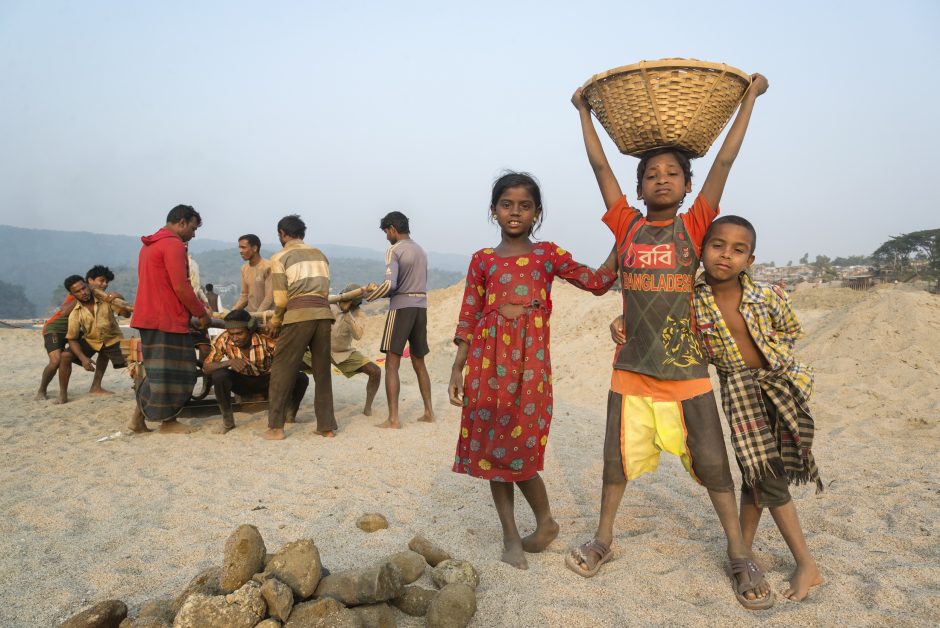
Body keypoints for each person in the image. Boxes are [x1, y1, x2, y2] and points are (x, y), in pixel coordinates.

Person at [567, 75, 774, 610]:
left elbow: (725, 162)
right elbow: (599, 168)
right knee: (616, 462)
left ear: (687, 186)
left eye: (673, 174)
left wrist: (747, 100)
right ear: (639, 190)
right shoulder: (626, 227)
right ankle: (604, 539)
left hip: (685, 371)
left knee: (713, 464)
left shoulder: (695, 226)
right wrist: (583, 113)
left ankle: (737, 552)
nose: (662, 180)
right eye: (652, 175)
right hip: (631, 367)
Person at [448, 172, 618, 569]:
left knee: (521, 448)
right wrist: (458, 368)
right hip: (486, 367)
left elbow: (596, 282)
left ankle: (545, 524)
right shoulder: (482, 260)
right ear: (494, 210)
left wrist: (622, 241)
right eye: (507, 204)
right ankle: (510, 534)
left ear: (537, 213)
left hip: (530, 369)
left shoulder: (548, 256)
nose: (515, 212)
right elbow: (469, 314)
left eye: (525, 205)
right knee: (492, 449)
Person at [691, 216, 823, 601]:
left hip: (781, 385)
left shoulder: (768, 295)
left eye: (738, 250)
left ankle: (805, 564)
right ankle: (743, 548)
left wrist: (773, 356)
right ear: (702, 249)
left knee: (765, 472)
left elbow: (790, 329)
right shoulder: (691, 300)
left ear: (750, 259)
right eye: (717, 245)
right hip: (740, 392)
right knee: (758, 471)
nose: (725, 255)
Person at [128, 204, 211, 434]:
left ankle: (138, 419)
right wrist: (200, 312)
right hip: (166, 318)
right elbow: (181, 286)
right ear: (182, 222)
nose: (193, 234)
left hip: (149, 316)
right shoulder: (173, 245)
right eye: (193, 228)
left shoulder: (149, 246)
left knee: (156, 372)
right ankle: (169, 422)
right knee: (178, 371)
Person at [265, 214, 336, 440]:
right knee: (322, 372)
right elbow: (324, 291)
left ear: (283, 234)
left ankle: (276, 428)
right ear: (302, 234)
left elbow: (282, 301)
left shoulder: (280, 257)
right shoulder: (320, 255)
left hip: (298, 315)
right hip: (324, 314)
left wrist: (276, 321)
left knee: (282, 370)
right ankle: (326, 427)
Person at [366, 211, 434, 428]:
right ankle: (429, 412)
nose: (387, 237)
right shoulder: (421, 250)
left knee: (392, 364)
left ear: (393, 229)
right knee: (418, 362)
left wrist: (369, 296)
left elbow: (390, 285)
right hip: (420, 307)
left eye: (387, 232)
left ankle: (393, 418)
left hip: (401, 308)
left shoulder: (394, 250)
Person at [203, 309, 308, 434]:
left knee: (301, 378)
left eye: (239, 333)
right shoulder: (223, 339)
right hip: (242, 382)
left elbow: (296, 361)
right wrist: (228, 362)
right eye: (231, 334)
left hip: (269, 380)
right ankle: (228, 422)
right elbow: (206, 368)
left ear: (250, 330)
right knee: (219, 375)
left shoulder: (265, 338)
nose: (235, 338)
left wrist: (280, 366)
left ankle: (290, 415)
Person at [60, 275, 129, 403]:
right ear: (72, 294)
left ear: (88, 286)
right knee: (65, 356)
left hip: (113, 339)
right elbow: (72, 338)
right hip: (91, 340)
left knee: (133, 364)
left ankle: (96, 387)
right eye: (78, 291)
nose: (83, 292)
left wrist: (119, 297)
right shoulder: (75, 312)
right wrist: (83, 358)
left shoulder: (105, 299)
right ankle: (63, 395)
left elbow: (126, 313)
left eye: (84, 288)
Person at [329, 283, 382, 416]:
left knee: (375, 371)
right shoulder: (330, 303)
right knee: (292, 365)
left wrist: (347, 313)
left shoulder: (358, 313)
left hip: (343, 353)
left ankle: (368, 408)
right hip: (319, 350)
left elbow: (358, 335)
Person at [232, 233, 274, 317]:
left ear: (254, 248)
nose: (240, 251)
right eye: (239, 248)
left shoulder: (268, 267)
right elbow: (244, 296)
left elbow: (269, 298)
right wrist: (232, 313)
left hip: (268, 317)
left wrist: (256, 316)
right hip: (252, 317)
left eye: (243, 247)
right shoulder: (244, 269)